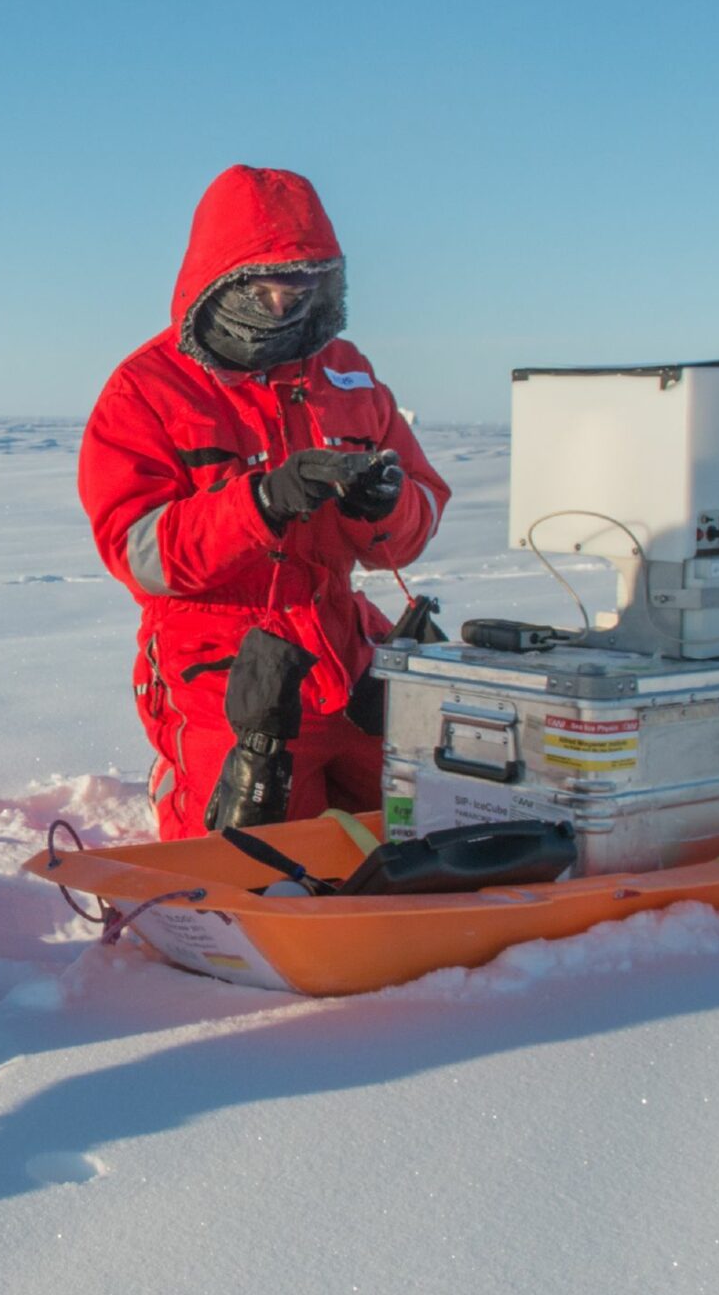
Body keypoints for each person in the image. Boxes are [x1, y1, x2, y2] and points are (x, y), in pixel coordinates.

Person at [79, 166, 449, 840]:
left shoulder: (348, 371)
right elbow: (140, 555)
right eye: (267, 286)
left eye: (302, 283)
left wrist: (387, 505)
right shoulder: (147, 388)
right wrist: (262, 501)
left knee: (438, 812)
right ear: (221, 279)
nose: (286, 303)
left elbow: (420, 515)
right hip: (223, 662)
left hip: (347, 651)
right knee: (257, 850)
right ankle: (182, 781)